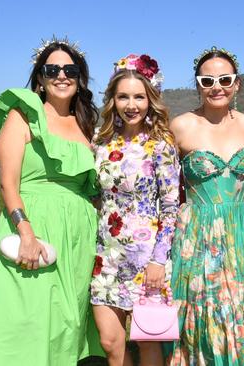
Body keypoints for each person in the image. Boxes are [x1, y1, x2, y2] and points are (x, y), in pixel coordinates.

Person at [0, 37, 100, 365]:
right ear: (40, 78)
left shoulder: (87, 125)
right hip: (34, 227)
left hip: (78, 238)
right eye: (51, 69)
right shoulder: (22, 115)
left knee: (68, 325)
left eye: (69, 69)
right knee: (26, 321)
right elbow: (8, 184)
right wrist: (25, 232)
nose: (61, 75)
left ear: (80, 77)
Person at [168, 46, 244, 365]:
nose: (216, 86)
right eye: (207, 80)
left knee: (237, 311)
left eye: (224, 78)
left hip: (238, 231)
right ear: (197, 84)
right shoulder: (180, 126)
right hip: (196, 231)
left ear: (237, 84)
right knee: (199, 312)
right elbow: (162, 185)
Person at [89, 54, 180, 366]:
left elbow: (170, 208)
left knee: (148, 341)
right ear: (113, 100)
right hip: (106, 257)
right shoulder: (101, 143)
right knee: (110, 341)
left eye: (139, 97)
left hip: (146, 261)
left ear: (150, 99)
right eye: (123, 96)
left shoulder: (161, 145)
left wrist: (158, 261)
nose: (131, 105)